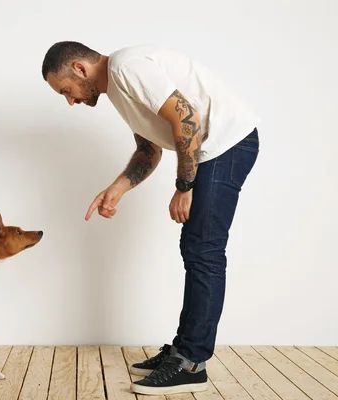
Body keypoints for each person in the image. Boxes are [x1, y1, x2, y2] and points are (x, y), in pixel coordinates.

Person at [41, 42, 260, 396]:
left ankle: (191, 362)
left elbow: (187, 117)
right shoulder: (118, 89)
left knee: (203, 249)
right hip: (210, 149)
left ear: (80, 69)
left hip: (225, 143)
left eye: (66, 90)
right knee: (195, 248)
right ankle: (183, 348)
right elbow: (149, 151)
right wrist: (117, 187)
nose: (70, 100)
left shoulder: (127, 68)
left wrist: (184, 185)